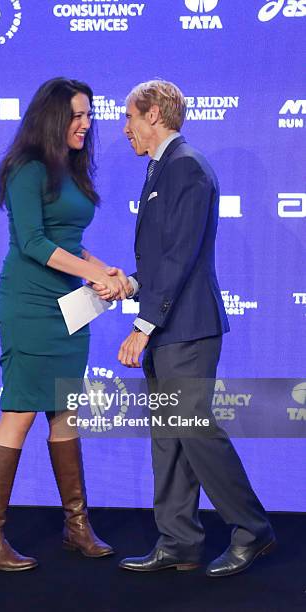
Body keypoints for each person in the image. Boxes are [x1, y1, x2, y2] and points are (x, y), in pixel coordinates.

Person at [0, 78, 132, 571]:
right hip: (31, 304)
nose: (86, 124)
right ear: (53, 118)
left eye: (89, 116)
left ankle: (76, 526)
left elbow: (69, 240)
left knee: (66, 411)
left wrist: (104, 271)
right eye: (77, 116)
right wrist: (94, 274)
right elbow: (34, 243)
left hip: (73, 305)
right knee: (20, 409)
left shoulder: (72, 170)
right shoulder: (26, 168)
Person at [110, 79, 274, 577]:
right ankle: (179, 540)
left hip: (186, 328)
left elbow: (182, 257)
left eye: (130, 117)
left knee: (195, 430)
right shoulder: (167, 168)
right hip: (169, 326)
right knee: (169, 434)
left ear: (155, 113)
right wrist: (131, 284)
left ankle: (252, 529)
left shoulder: (186, 167)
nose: (125, 129)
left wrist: (142, 324)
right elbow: (165, 260)